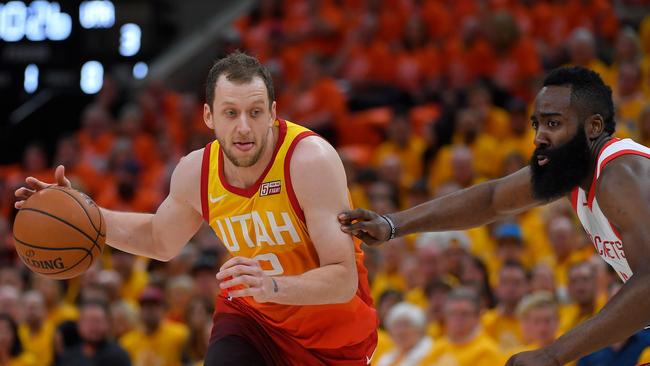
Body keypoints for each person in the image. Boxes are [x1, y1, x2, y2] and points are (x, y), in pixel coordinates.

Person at [15, 51, 377, 365]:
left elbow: (343, 279)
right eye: (230, 113)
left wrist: (274, 287)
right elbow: (160, 240)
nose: (244, 127)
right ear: (208, 116)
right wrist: (82, 211)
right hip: (253, 317)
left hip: (335, 336)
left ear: (272, 113)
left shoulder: (309, 160)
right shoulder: (196, 171)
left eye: (255, 112)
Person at [339, 66, 650, 366]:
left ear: (593, 127)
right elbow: (492, 200)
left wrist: (554, 353)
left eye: (553, 124)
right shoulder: (574, 170)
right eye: (536, 124)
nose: (539, 137)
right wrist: (393, 224)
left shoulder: (620, 176)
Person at [56, 300, 131, 366]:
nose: (93, 327)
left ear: (108, 324)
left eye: (97, 321)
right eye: (88, 321)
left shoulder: (118, 357)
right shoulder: (68, 356)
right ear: (79, 324)